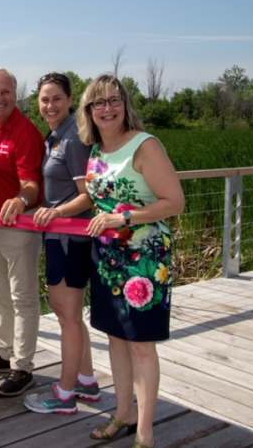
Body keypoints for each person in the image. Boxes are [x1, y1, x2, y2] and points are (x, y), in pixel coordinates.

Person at [77, 74, 184, 448]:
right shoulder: (97, 149)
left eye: (114, 100)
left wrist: (123, 218)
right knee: (115, 337)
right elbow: (96, 198)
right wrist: (56, 210)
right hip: (107, 258)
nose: (107, 108)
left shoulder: (145, 145)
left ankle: (145, 432)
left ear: (125, 105)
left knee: (140, 344)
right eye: (99, 102)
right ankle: (124, 413)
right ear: (89, 110)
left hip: (143, 260)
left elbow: (174, 202)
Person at [23, 73, 98, 415]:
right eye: (44, 99)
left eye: (56, 98)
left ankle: (64, 395)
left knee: (67, 315)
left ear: (70, 100)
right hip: (57, 237)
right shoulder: (54, 136)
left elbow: (87, 196)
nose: (50, 105)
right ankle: (86, 381)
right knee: (69, 313)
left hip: (70, 237)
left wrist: (55, 212)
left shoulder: (74, 139)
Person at [0, 68, 45, 397]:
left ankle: (23, 366)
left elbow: (32, 185)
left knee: (23, 297)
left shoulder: (25, 132)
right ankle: (3, 353)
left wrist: (20, 200)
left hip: (18, 228)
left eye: (5, 92)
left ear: (15, 95)